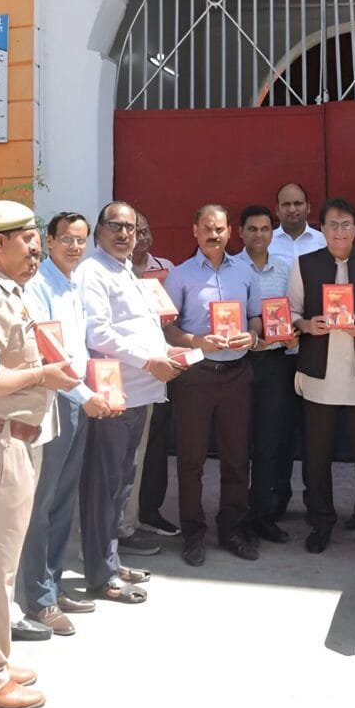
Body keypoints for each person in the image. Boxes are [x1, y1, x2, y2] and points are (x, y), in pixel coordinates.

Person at [0, 200, 77, 708]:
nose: (36, 252)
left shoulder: (7, 293)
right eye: (27, 242)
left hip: (11, 439)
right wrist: (43, 375)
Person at [75, 203, 180, 602]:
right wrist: (149, 361)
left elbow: (140, 328)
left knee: (121, 484)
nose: (124, 234)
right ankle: (100, 575)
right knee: (104, 486)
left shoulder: (126, 271)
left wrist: (167, 354)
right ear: (99, 231)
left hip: (140, 392)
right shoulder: (93, 271)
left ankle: (110, 559)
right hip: (114, 396)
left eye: (130, 228)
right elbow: (98, 334)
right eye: (115, 226)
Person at [288, 199, 355, 555]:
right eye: (333, 224)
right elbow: (291, 312)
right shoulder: (304, 264)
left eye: (346, 224)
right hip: (319, 376)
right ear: (321, 228)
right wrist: (306, 325)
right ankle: (321, 521)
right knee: (317, 455)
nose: (339, 231)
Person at [18, 212, 104, 635]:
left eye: (81, 240)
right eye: (66, 239)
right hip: (54, 402)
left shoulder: (72, 284)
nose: (74, 247)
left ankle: (52, 584)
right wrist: (86, 396)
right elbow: (48, 352)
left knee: (63, 501)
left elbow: (78, 349)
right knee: (43, 503)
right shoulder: (38, 286)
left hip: (76, 401)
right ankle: (38, 598)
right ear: (49, 241)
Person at [164, 204, 261, 566]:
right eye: (206, 228)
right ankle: (193, 533)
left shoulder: (245, 272)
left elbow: (255, 318)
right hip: (197, 376)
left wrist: (252, 336)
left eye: (219, 228)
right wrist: (195, 341)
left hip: (236, 374)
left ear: (230, 231)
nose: (213, 234)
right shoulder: (180, 275)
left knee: (237, 457)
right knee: (191, 459)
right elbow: (168, 328)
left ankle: (232, 528)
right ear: (195, 231)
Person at [268, 182, 326, 521]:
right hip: (277, 353)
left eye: (298, 203)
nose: (292, 209)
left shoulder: (322, 242)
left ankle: (316, 502)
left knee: (316, 433)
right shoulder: (265, 241)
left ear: (308, 206)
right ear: (277, 208)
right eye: (286, 204)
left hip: (315, 347)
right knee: (278, 432)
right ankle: (278, 499)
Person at [238, 204, 295, 544]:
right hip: (239, 362)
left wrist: (292, 334)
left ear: (272, 233)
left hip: (275, 362)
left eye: (264, 229)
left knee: (269, 440)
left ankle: (263, 513)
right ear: (241, 232)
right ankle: (236, 514)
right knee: (237, 441)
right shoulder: (231, 268)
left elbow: (294, 311)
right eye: (252, 229)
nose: (258, 235)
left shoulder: (286, 269)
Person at [126, 211, 179, 541]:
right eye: (137, 232)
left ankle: (150, 510)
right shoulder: (115, 273)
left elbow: (175, 316)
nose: (143, 238)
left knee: (157, 445)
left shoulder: (167, 268)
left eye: (146, 231)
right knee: (127, 451)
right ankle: (123, 520)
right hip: (127, 373)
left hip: (161, 370)